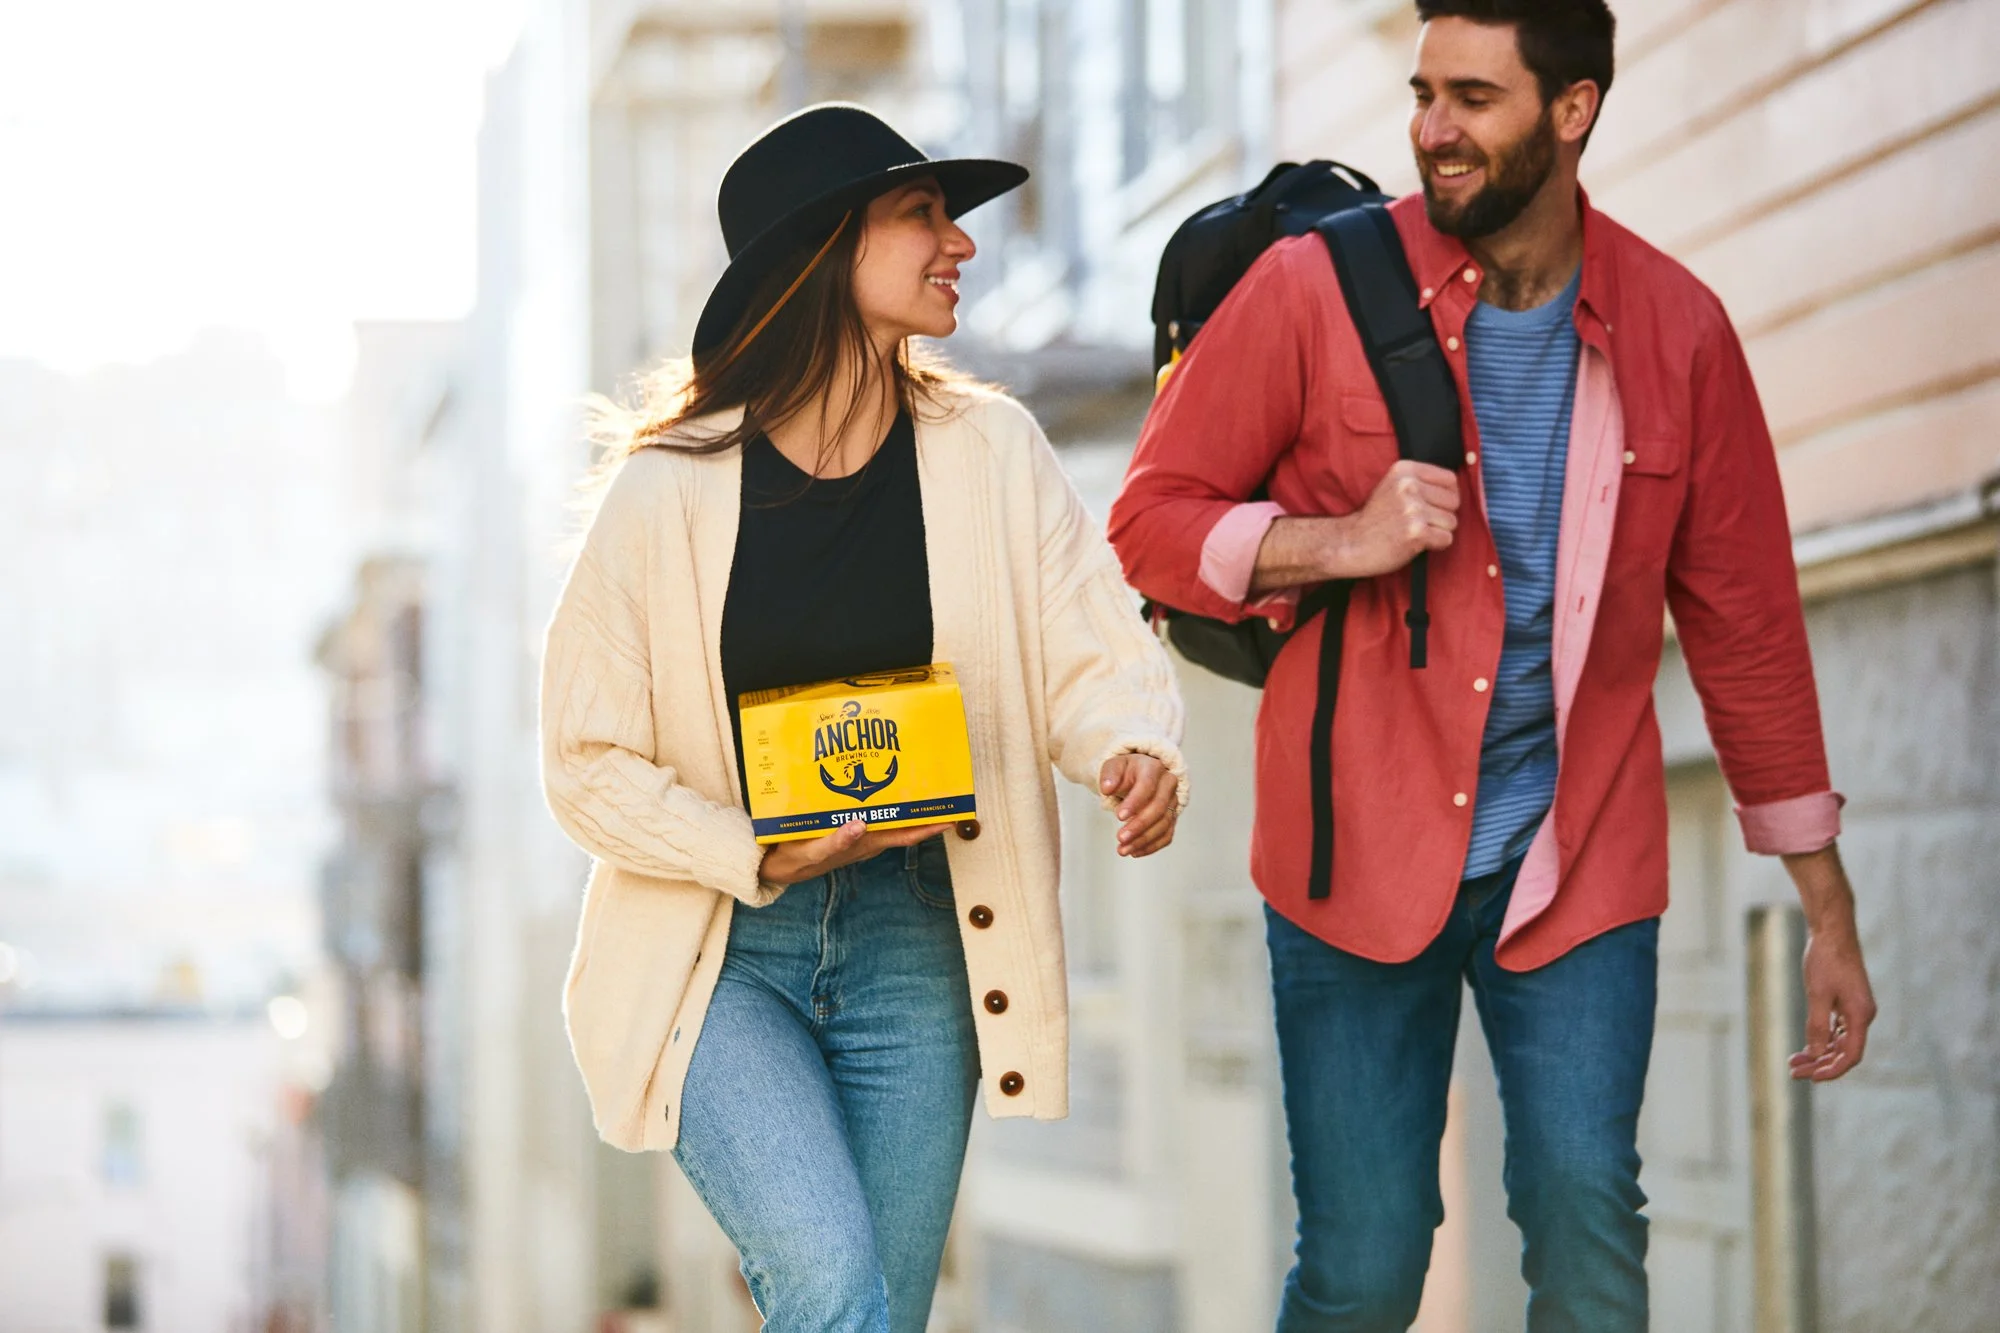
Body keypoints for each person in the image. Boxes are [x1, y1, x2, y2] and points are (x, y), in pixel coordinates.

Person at [1107, 4, 1876, 1329]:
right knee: (1364, 1263)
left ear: (1571, 111)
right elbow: (1149, 519)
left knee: (1587, 1223)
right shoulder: (1316, 291)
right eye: (1422, 93)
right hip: (1351, 848)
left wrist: (1825, 902)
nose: (1431, 130)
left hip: (1572, 858)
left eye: (1474, 97)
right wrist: (1340, 540)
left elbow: (1748, 624)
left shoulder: (1679, 331)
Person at [539, 103, 1187, 1333]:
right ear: (828, 249)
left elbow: (1084, 642)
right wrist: (755, 849)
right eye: (922, 215)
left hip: (918, 945)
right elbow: (582, 761)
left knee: (876, 1316)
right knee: (831, 1280)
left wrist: (1130, 746)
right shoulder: (664, 489)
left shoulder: (989, 449)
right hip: (722, 953)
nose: (963, 245)